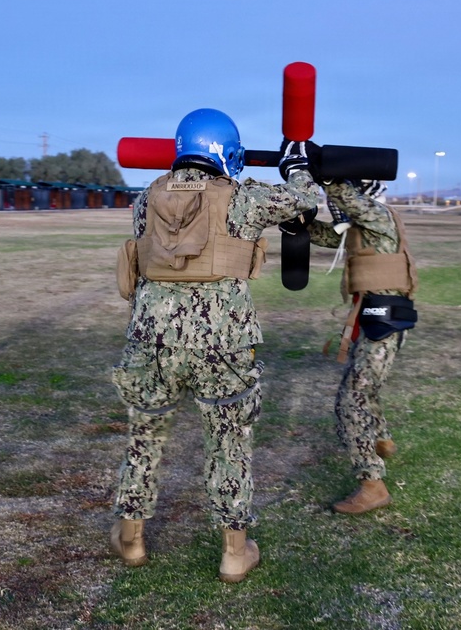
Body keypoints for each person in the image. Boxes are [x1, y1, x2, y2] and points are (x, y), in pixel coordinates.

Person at [109, 109, 321, 583]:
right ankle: (234, 552)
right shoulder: (242, 199)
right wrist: (297, 162)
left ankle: (131, 538)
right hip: (222, 345)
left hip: (151, 342)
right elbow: (307, 198)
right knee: (229, 444)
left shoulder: (146, 199)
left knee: (145, 438)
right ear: (226, 152)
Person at [303, 178, 418, 514]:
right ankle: (382, 441)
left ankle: (372, 484)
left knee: (350, 401)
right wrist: (296, 222)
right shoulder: (362, 225)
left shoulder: (379, 215)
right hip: (373, 319)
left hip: (385, 321)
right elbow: (327, 235)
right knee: (366, 389)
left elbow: (343, 196)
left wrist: (324, 173)